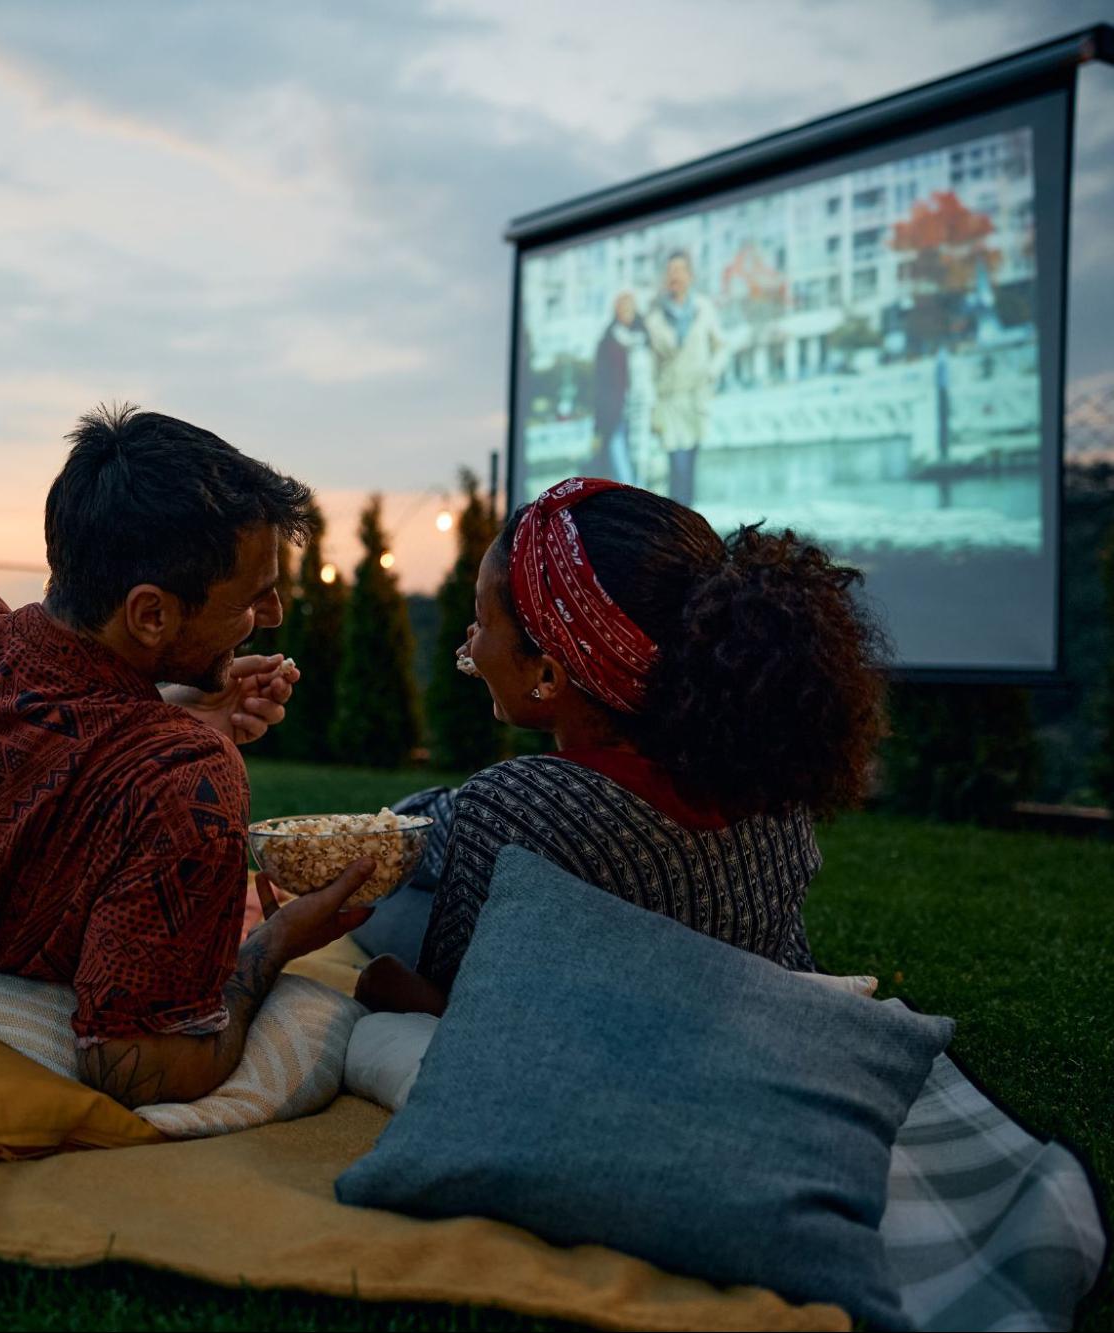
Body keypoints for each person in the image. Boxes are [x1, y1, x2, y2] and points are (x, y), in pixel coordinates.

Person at [0, 404, 357, 1109]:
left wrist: (162, 711)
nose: (273, 615)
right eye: (253, 596)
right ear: (149, 614)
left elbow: (16, 725)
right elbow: (140, 1067)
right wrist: (275, 942)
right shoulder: (179, 778)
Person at [356, 476, 887, 1017]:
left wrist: (378, 984)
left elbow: (457, 1003)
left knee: (383, 895)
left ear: (547, 671)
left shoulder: (508, 805)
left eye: (484, 618)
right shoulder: (772, 779)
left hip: (595, 1035)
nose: (471, 639)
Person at [642, 251, 727, 506]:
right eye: (670, 272)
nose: (674, 276)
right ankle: (678, 527)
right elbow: (650, 367)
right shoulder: (655, 318)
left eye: (679, 271)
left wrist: (711, 372)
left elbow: (721, 346)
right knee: (676, 466)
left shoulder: (704, 309)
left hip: (695, 398)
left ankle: (687, 529)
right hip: (668, 400)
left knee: (689, 464)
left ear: (690, 276)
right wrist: (651, 405)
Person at [591, 292, 644, 486]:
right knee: (622, 469)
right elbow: (600, 384)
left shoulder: (644, 337)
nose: (626, 312)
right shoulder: (607, 341)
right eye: (622, 308)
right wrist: (598, 424)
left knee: (640, 463)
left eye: (629, 307)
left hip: (642, 410)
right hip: (615, 414)